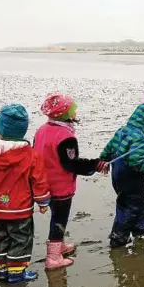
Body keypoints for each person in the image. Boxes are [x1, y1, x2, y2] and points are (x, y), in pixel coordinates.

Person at [0, 104, 51, 283]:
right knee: (21, 239)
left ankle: (3, 270)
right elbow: (39, 181)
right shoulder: (31, 155)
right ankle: (16, 274)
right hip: (20, 209)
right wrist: (43, 202)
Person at [34, 94, 107, 269]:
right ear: (66, 114)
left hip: (43, 184)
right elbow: (71, 164)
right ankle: (53, 257)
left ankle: (59, 246)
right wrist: (95, 165)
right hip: (60, 187)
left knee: (56, 215)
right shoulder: (66, 137)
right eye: (73, 110)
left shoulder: (41, 130)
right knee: (59, 219)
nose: (76, 112)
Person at [100, 103, 144, 248]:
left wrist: (103, 159)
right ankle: (119, 236)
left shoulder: (122, 130)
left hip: (117, 174)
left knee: (139, 201)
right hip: (129, 176)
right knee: (131, 205)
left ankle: (140, 228)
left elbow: (109, 147)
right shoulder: (141, 138)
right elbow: (136, 160)